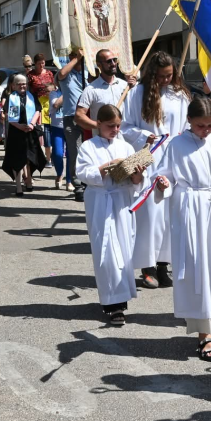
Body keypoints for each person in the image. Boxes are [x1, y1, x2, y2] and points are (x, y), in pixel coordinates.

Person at [157, 97, 211, 362]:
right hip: (189, 210)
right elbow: (166, 176)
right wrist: (162, 183)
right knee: (196, 269)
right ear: (189, 121)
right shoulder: (177, 144)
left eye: (210, 125)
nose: (206, 130)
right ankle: (204, 334)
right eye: (201, 125)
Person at [121, 51, 191, 290]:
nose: (165, 81)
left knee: (171, 216)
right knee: (150, 216)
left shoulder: (180, 95)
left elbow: (187, 125)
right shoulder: (137, 95)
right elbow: (125, 127)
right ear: (152, 74)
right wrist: (143, 135)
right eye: (161, 76)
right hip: (148, 157)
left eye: (169, 76)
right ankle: (147, 267)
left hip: (173, 159)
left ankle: (164, 264)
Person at [75, 104, 144, 326]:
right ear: (98, 124)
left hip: (121, 201)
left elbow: (137, 182)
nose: (115, 130)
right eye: (110, 126)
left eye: (117, 126)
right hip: (100, 201)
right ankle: (112, 304)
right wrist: (105, 167)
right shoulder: (88, 146)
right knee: (106, 252)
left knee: (123, 250)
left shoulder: (125, 146)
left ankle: (121, 300)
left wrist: (136, 175)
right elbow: (83, 173)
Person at [75, 49, 135, 138]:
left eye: (114, 60)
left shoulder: (125, 86)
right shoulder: (91, 89)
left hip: (125, 141)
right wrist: (98, 125)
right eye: (109, 61)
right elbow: (79, 116)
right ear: (99, 65)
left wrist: (135, 88)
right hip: (103, 144)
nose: (113, 63)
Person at [2, 74, 46, 195]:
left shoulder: (32, 96)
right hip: (16, 131)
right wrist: (20, 126)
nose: (22, 86)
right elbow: (9, 117)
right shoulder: (12, 98)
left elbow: (38, 110)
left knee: (29, 157)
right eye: (19, 84)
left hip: (30, 131)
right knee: (18, 158)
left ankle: (29, 181)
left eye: (24, 83)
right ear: (14, 85)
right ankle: (18, 186)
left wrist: (32, 124)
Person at [58, 48, 89, 200]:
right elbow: (61, 74)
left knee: (90, 150)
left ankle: (89, 181)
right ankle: (78, 185)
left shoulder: (88, 72)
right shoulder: (66, 74)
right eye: (74, 55)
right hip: (71, 117)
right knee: (75, 151)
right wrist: (76, 59)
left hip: (88, 116)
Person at [47, 82, 67, 189]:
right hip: (56, 127)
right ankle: (60, 174)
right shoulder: (54, 93)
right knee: (57, 153)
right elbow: (55, 104)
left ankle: (69, 180)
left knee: (71, 155)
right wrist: (67, 92)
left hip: (70, 127)